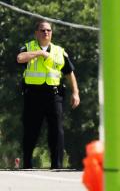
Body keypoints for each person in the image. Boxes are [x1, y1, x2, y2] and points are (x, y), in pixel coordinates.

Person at [16, 19, 80, 169]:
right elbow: (19, 58)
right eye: (43, 30)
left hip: (54, 95)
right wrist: (40, 53)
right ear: (36, 33)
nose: (46, 32)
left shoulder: (59, 51)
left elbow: (69, 73)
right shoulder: (29, 47)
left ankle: (56, 165)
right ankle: (27, 164)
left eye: (49, 30)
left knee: (56, 131)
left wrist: (75, 92)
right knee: (31, 130)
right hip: (33, 95)